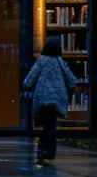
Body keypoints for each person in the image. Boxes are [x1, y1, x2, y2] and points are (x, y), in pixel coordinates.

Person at [23, 36, 79, 164]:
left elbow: (29, 80)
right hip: (57, 100)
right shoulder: (60, 62)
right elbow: (72, 80)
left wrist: (27, 85)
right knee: (51, 125)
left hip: (43, 98)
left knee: (45, 126)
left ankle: (43, 151)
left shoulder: (41, 61)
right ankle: (49, 152)